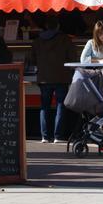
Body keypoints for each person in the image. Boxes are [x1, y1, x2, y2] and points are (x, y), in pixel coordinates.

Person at [32, 15, 74, 143]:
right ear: (58, 26)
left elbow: (32, 59)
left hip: (44, 78)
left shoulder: (37, 40)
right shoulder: (65, 39)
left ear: (46, 26)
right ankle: (58, 136)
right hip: (61, 77)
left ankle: (44, 136)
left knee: (44, 106)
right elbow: (72, 57)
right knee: (60, 105)